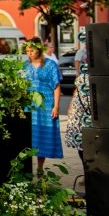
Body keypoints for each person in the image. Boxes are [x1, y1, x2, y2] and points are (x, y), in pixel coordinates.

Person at [23, 37, 63, 172]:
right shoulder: (24, 66)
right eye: (27, 50)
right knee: (28, 135)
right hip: (29, 105)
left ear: (38, 49)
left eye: (31, 50)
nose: (29, 53)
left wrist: (56, 106)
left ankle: (40, 167)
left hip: (45, 105)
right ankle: (27, 168)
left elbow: (56, 87)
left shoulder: (50, 64)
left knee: (42, 135)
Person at [65, 70, 92, 167]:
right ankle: (87, 173)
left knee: (91, 144)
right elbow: (76, 90)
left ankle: (90, 173)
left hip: (90, 112)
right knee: (81, 145)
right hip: (79, 113)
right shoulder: (83, 75)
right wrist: (71, 107)